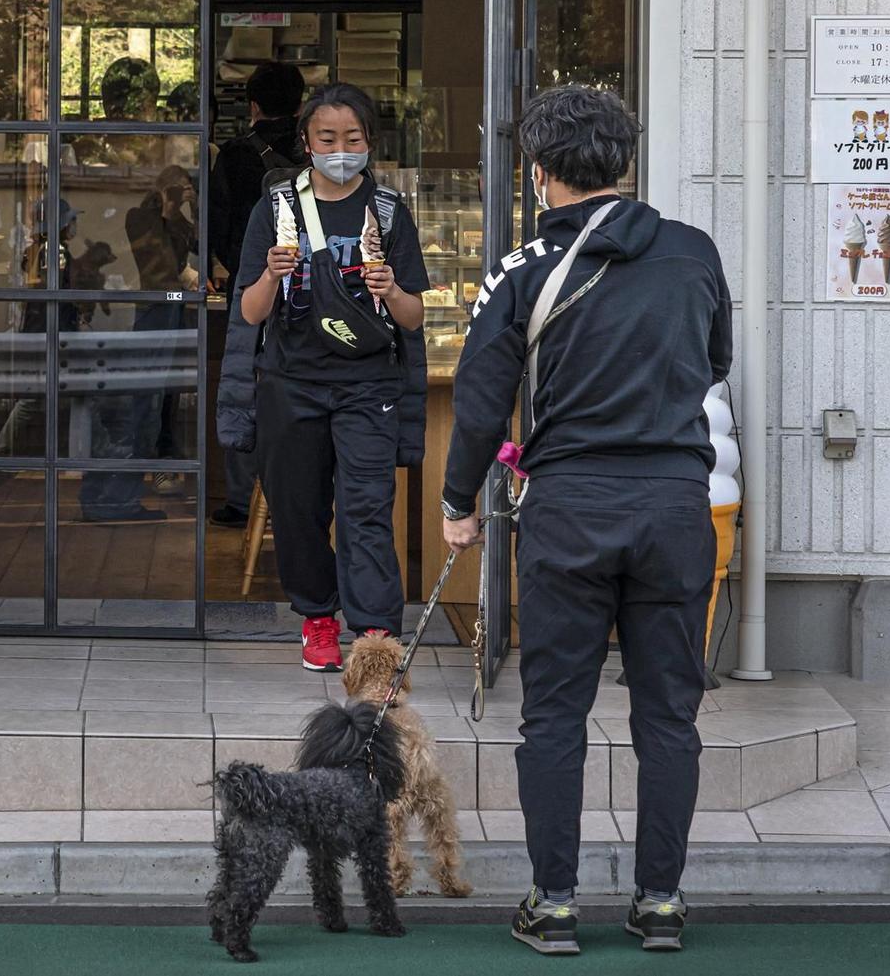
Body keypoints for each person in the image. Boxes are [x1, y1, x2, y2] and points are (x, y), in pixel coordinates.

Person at [439, 86, 732, 956]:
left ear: (538, 173)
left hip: (569, 509)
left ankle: (555, 902)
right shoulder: (694, 252)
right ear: (626, 164)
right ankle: (661, 902)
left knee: (555, 713)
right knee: (669, 716)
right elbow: (715, 361)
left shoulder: (522, 269)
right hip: (678, 506)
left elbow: (484, 399)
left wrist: (459, 505)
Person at [232, 85, 428, 671]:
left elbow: (414, 317)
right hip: (291, 383)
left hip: (369, 386)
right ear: (307, 142)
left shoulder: (388, 211)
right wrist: (271, 274)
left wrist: (389, 288)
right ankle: (317, 620)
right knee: (297, 508)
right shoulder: (276, 208)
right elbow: (248, 312)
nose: (341, 150)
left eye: (353, 139)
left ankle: (374, 637)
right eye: (327, 139)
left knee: (367, 508)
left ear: (369, 142)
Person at [208, 62, 306, 527]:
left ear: (252, 106)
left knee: (245, 385)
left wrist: (241, 271)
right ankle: (302, 493)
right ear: (303, 104)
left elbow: (218, 228)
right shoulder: (316, 150)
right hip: (313, 290)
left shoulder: (234, 154)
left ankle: (243, 500)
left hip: (252, 288)